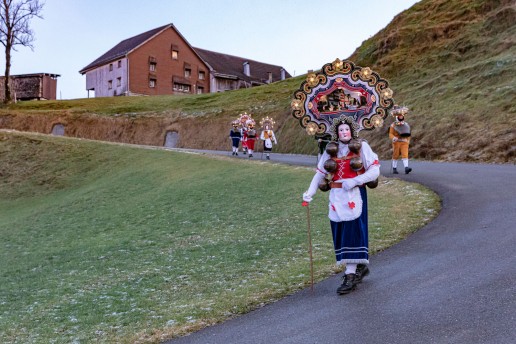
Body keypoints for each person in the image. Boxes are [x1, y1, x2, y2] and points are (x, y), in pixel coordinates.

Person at [302, 116, 380, 295]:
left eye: (346, 129)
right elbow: (320, 174)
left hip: (354, 195)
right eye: (340, 130)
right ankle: (358, 266)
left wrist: (356, 181)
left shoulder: (362, 147)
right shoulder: (330, 151)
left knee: (353, 231)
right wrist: (309, 192)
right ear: (336, 133)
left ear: (352, 130)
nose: (344, 133)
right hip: (336, 197)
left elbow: (375, 169)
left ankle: (350, 274)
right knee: (341, 232)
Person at [389, 106, 412, 174]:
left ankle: (406, 168)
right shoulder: (393, 125)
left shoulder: (406, 124)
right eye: (400, 116)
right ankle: (394, 168)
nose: (401, 117)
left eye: (402, 116)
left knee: (405, 154)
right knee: (395, 155)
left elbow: (408, 133)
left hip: (404, 142)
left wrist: (408, 141)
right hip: (396, 142)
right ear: (397, 117)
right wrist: (393, 138)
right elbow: (390, 133)